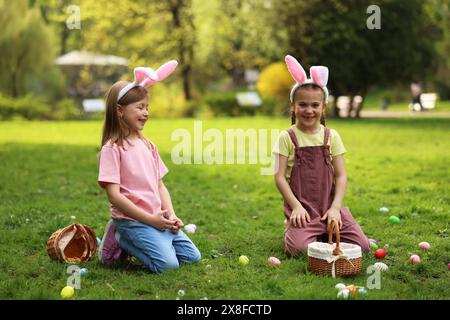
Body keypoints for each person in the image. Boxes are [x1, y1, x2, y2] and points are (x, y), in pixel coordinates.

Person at [97, 61, 201, 272]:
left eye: (147, 107)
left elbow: (160, 185)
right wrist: (151, 221)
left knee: (192, 257)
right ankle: (119, 236)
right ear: (119, 111)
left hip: (157, 218)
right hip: (132, 220)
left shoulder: (148, 145)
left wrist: (170, 215)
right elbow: (114, 196)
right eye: (140, 107)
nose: (146, 113)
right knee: (168, 266)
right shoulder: (113, 149)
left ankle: (155, 239)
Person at [273, 55, 370, 257]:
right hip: (303, 211)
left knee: (362, 247)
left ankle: (325, 232)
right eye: (303, 105)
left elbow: (341, 176)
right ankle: (295, 230)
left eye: (315, 105)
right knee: (298, 251)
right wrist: (296, 207)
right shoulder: (287, 137)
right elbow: (279, 177)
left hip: (330, 208)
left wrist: (336, 208)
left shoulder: (331, 136)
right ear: (293, 106)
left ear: (323, 107)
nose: (309, 110)